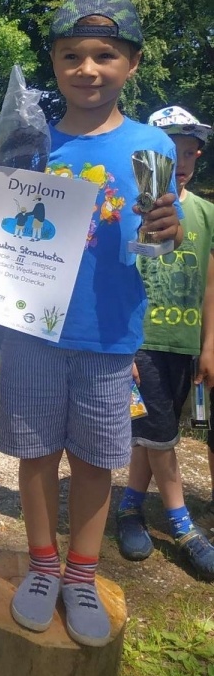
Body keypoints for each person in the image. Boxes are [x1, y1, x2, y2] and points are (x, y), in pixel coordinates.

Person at [0, 0, 182, 646]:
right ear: (54, 64)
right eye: (71, 56)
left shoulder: (150, 146)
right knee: (36, 455)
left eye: (105, 55)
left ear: (132, 63)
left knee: (93, 462)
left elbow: (155, 250)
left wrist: (165, 231)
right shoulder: (32, 141)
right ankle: (40, 566)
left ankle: (81, 575)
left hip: (110, 335)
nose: (87, 68)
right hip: (32, 328)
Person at [114, 108, 214, 578]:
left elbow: (211, 283)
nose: (185, 157)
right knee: (159, 436)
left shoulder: (206, 213)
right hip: (142, 342)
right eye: (173, 151)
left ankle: (130, 508)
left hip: (184, 342)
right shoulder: (131, 209)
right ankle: (181, 524)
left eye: (192, 149)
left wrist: (208, 344)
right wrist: (121, 345)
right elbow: (112, 278)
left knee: (153, 433)